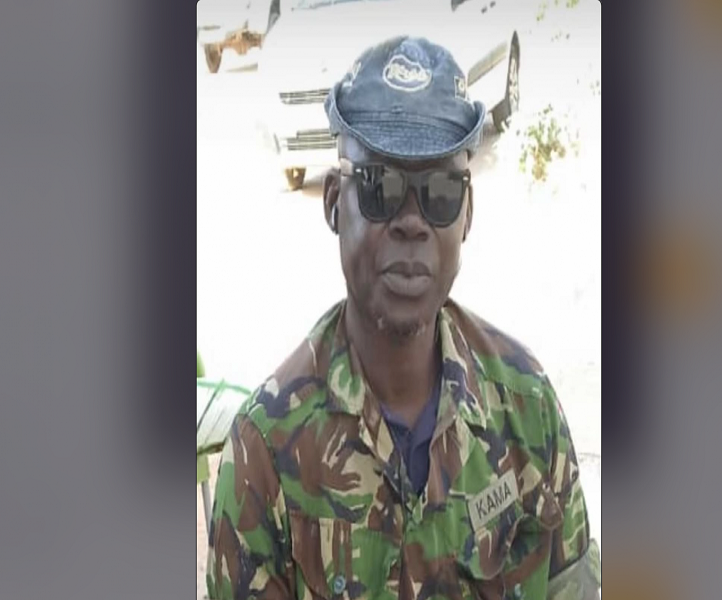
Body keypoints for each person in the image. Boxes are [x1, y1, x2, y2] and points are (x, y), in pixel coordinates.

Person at [207, 36, 600, 600]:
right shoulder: (265, 454)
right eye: (379, 186)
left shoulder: (526, 409)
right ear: (333, 203)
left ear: (466, 215)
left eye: (440, 192)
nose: (412, 222)